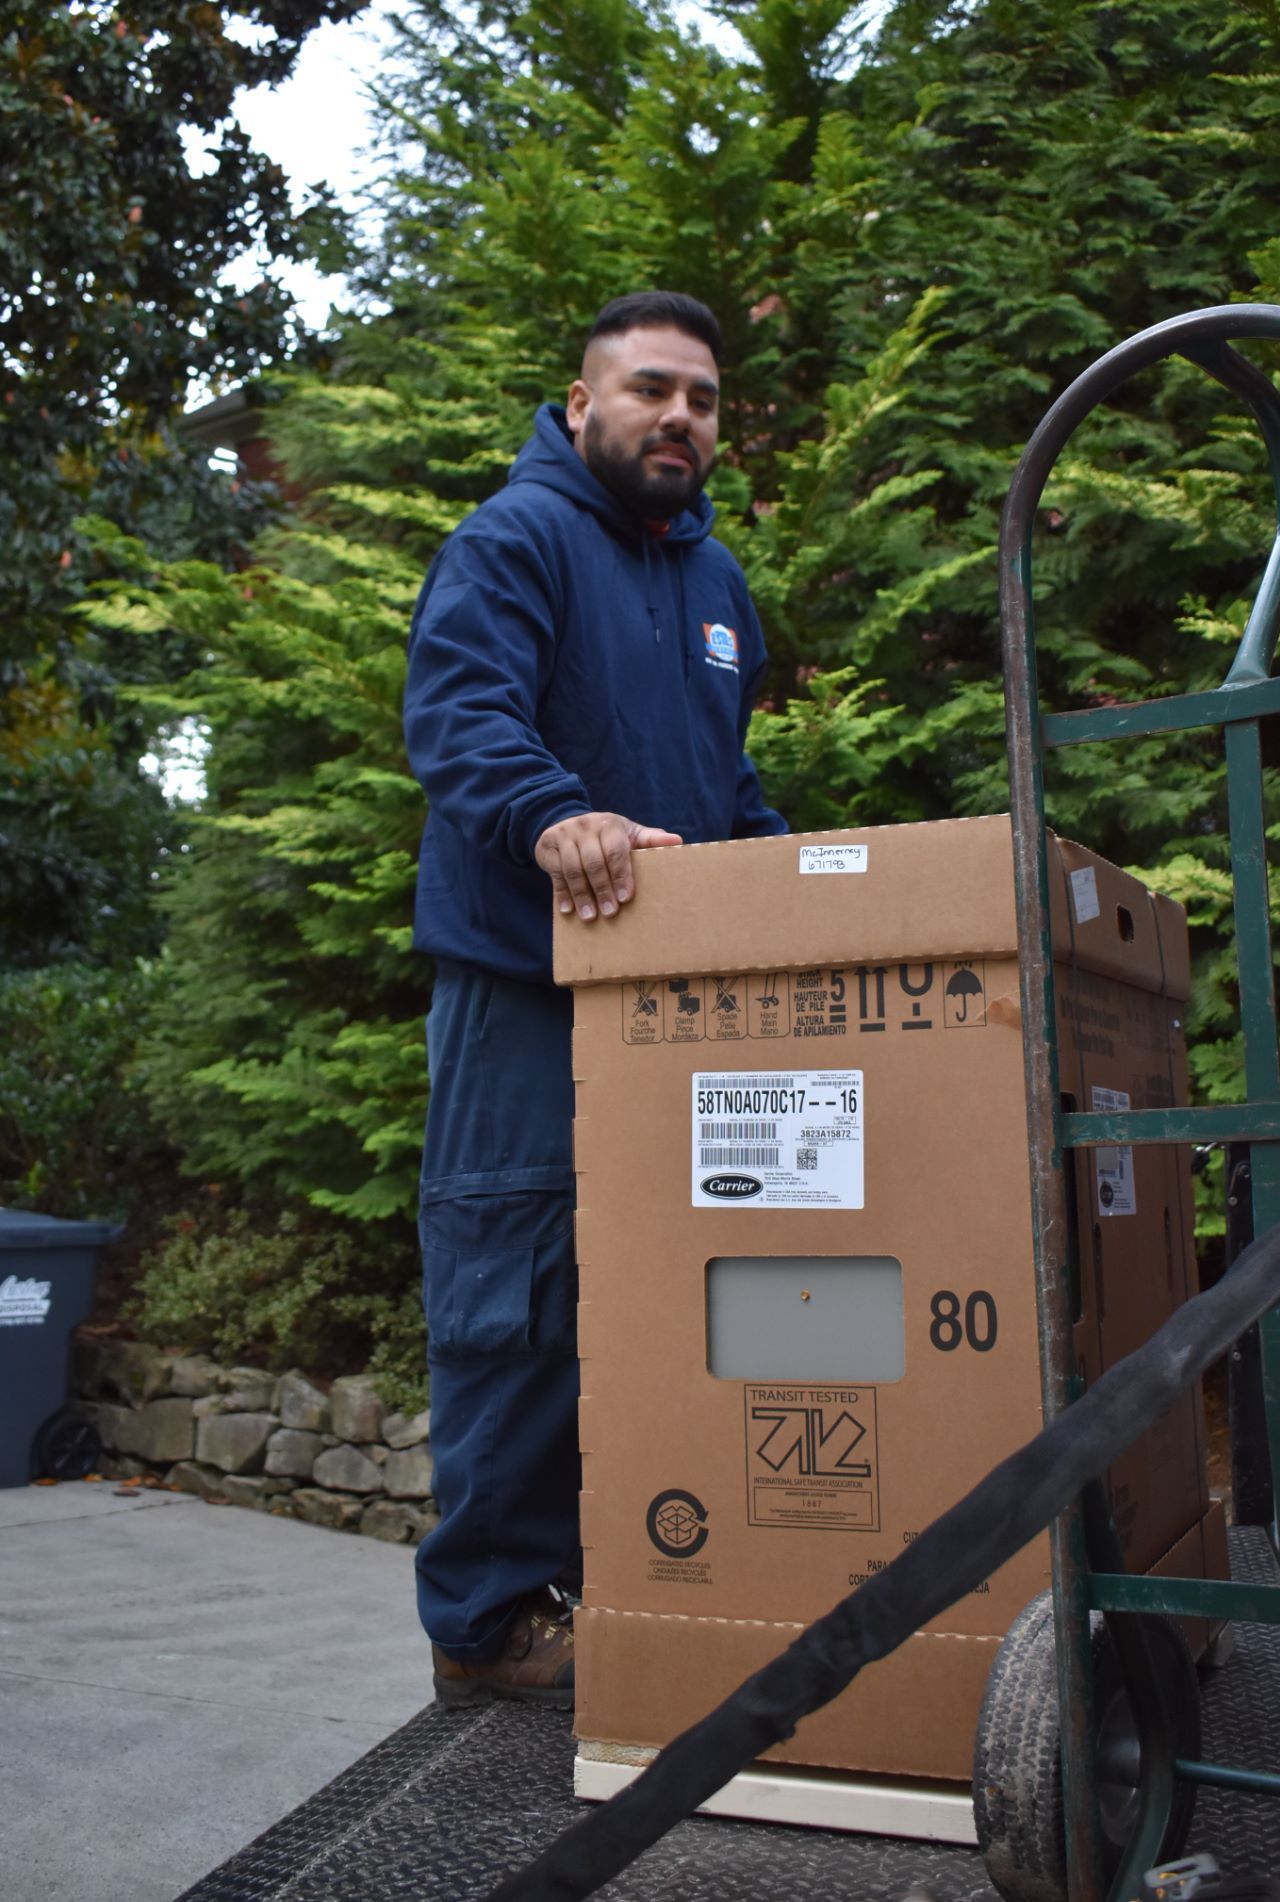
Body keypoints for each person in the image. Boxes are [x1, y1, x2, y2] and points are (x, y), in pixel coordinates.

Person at [403, 290, 787, 1706]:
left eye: (700, 398)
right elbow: (460, 713)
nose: (677, 416)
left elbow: (727, 786)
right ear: (581, 407)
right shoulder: (512, 542)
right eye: (647, 390)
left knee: (684, 1286)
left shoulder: (716, 584)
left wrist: (808, 890)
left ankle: (643, 1574)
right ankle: (486, 1621)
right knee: (514, 1295)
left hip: (677, 1008)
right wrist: (552, 814)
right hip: (526, 986)